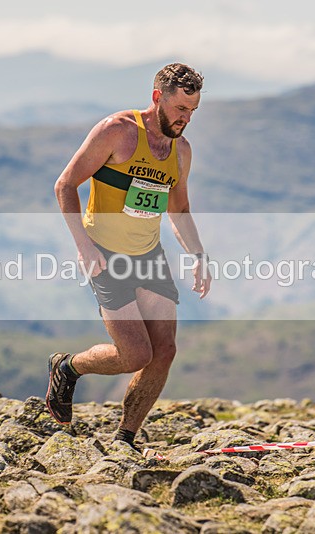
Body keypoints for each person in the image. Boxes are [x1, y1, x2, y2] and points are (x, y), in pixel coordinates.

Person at [48, 63, 211, 450]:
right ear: (158, 98)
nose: (185, 120)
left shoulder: (181, 151)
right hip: (105, 255)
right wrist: (82, 245)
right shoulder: (117, 131)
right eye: (179, 110)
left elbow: (179, 210)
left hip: (148, 255)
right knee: (134, 354)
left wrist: (198, 255)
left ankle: (126, 438)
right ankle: (68, 366)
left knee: (164, 351)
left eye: (192, 112)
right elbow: (66, 184)